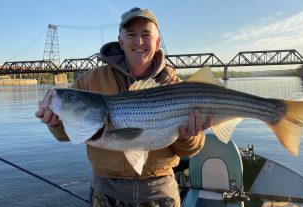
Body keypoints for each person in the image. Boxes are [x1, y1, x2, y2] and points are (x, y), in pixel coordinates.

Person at [35, 7, 212, 207]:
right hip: (106, 192)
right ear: (121, 41)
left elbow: (190, 150)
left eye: (146, 35)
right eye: (131, 35)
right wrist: (55, 122)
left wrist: (189, 136)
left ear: (157, 42)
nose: (139, 41)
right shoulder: (90, 81)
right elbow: (64, 135)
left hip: (159, 192)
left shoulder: (174, 84)